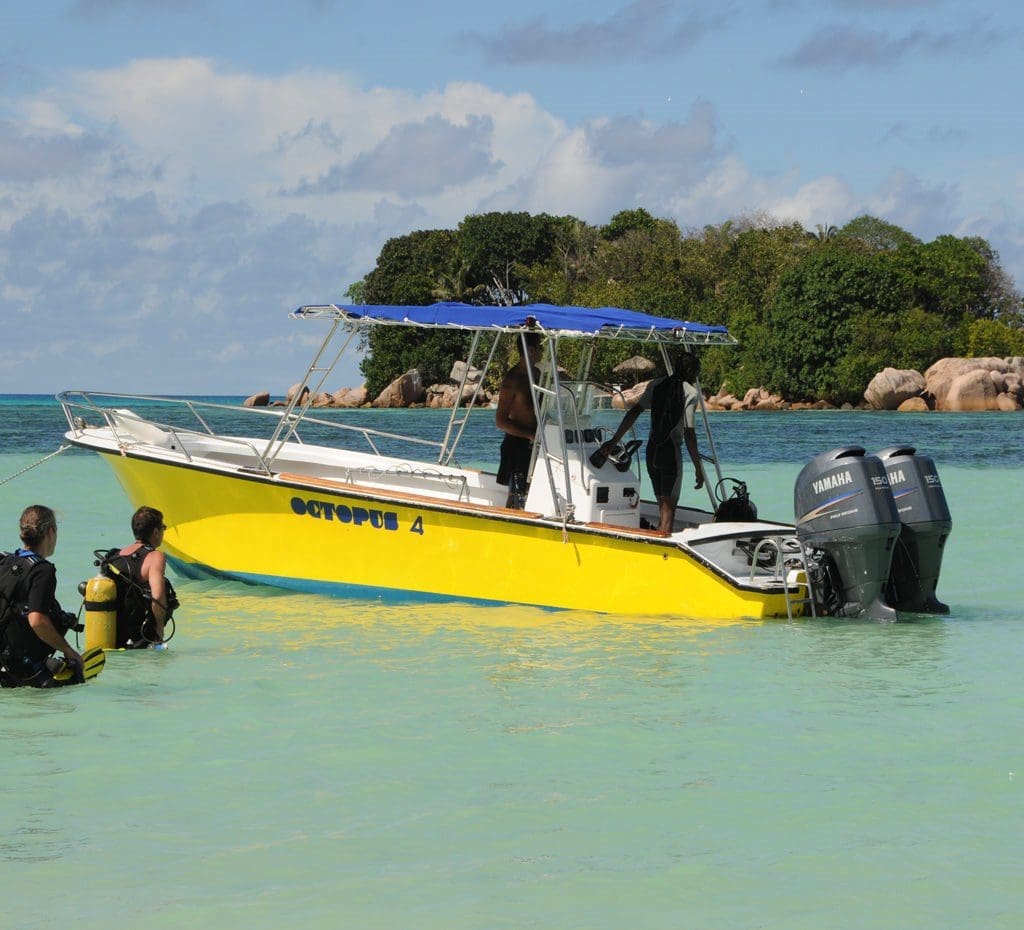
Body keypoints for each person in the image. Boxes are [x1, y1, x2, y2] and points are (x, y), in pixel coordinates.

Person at [597, 351, 705, 535]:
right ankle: (664, 550)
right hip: (669, 454)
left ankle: (658, 537)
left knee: (662, 506)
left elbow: (634, 412)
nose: (697, 376)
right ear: (689, 371)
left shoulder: (656, 385)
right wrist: (698, 467)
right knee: (669, 511)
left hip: (652, 452)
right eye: (696, 372)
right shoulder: (691, 393)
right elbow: (689, 434)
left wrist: (614, 441)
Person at [0, 505, 83, 687]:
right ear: (51, 531)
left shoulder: (5, 561)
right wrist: (69, 651)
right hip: (26, 670)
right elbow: (37, 620)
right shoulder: (42, 570)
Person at [102, 505, 173, 648]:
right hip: (137, 638)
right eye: (163, 528)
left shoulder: (114, 557)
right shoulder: (155, 556)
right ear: (155, 532)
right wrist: (159, 628)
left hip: (107, 634)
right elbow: (158, 597)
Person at [495, 332, 543, 507]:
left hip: (537, 444)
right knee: (517, 495)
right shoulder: (512, 381)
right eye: (540, 347)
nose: (542, 351)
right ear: (531, 350)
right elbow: (500, 421)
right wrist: (529, 434)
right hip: (517, 445)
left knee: (534, 492)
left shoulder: (538, 374)